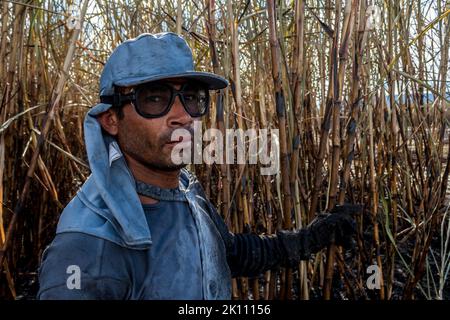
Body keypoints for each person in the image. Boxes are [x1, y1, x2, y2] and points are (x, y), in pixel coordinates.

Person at [37, 32, 360, 300]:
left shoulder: (185, 189)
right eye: (154, 98)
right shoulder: (89, 246)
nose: (184, 116)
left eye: (192, 97)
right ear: (111, 120)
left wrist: (311, 238)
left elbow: (224, 254)